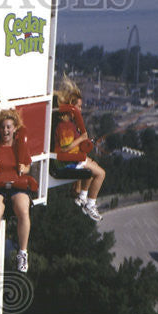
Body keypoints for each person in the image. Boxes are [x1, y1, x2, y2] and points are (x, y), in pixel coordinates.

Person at [0, 108, 33, 274]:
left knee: (23, 211)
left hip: (17, 185)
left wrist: (24, 169)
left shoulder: (20, 146)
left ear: (15, 128)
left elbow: (28, 166)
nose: (5, 131)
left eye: (9, 127)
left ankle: (22, 253)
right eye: (3, 127)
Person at [53, 78, 105, 222]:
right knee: (100, 174)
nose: (81, 110)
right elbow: (65, 148)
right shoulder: (65, 126)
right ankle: (90, 204)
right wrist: (81, 139)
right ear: (71, 107)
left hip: (72, 159)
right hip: (66, 162)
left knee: (91, 164)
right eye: (79, 107)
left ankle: (82, 196)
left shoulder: (70, 124)